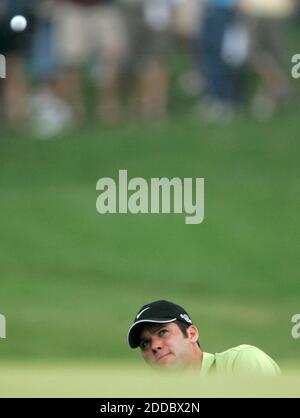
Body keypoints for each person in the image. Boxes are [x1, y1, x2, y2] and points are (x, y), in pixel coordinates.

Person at [128, 300, 281, 377]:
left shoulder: (241, 362)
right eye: (145, 343)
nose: (154, 346)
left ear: (192, 334)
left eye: (162, 332)